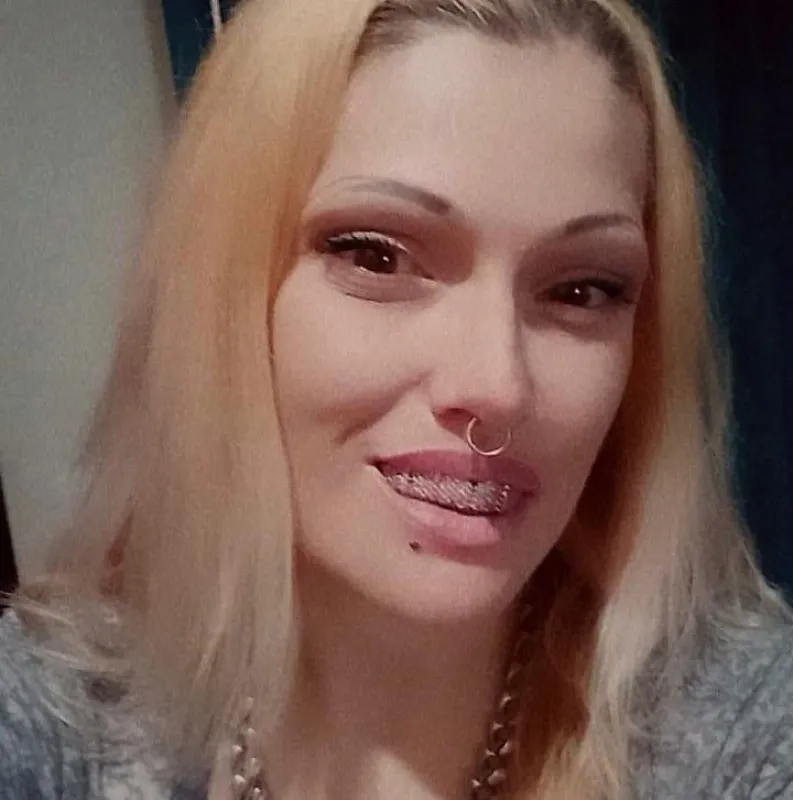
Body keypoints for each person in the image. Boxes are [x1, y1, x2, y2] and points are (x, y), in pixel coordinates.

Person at [2, 0, 793, 798]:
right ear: (217, 293)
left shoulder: (738, 723)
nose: (496, 386)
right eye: (376, 256)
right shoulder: (63, 713)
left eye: (581, 289)